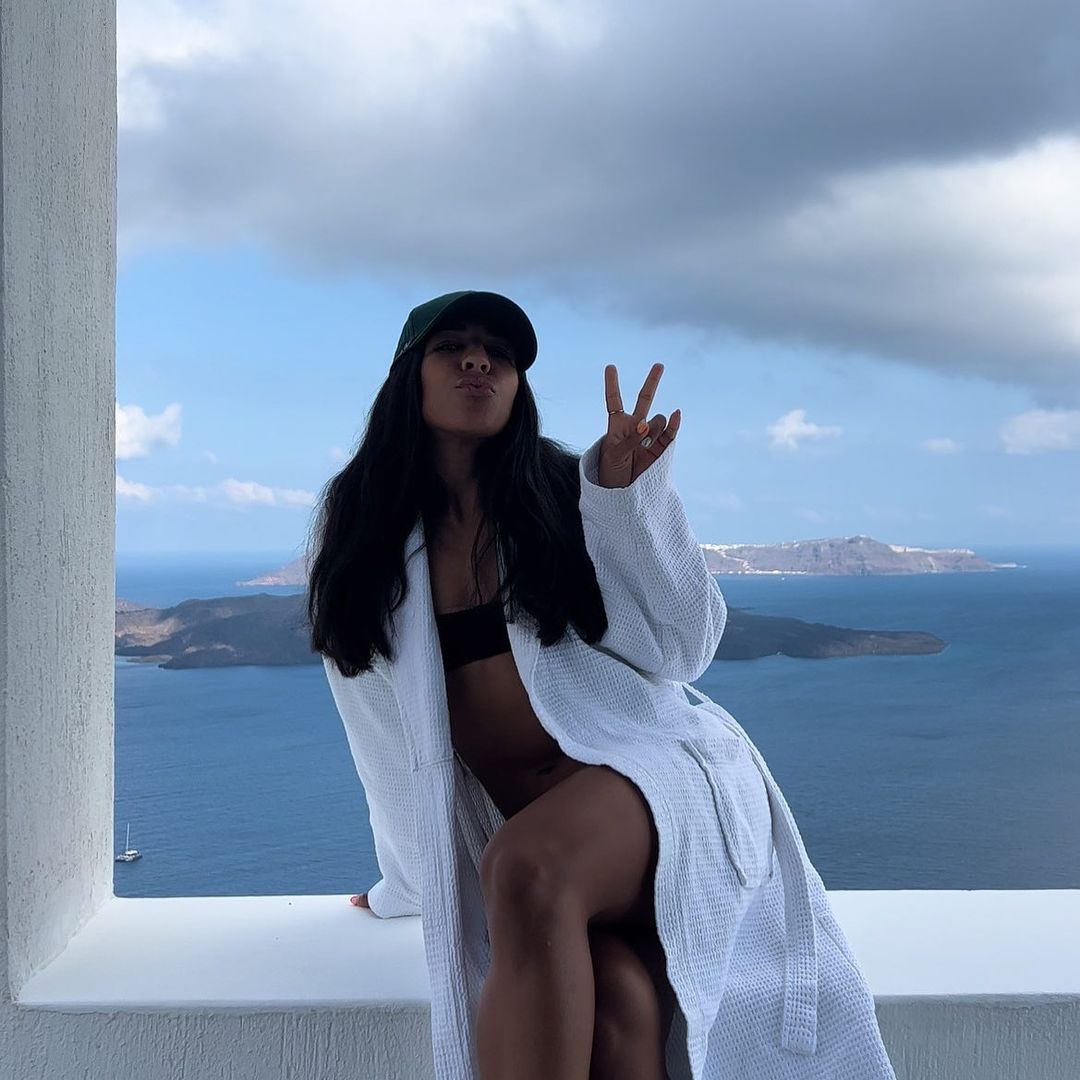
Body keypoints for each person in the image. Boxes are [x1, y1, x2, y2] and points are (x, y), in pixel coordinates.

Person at [306, 290, 897, 1080]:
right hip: (564, 845)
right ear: (406, 376)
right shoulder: (362, 531)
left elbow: (684, 646)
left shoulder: (569, 490)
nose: (479, 360)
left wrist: (628, 502)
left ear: (519, 387)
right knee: (619, 1010)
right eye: (452, 346)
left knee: (523, 868)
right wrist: (406, 886)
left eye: (501, 353)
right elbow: (384, 737)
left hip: (661, 788)